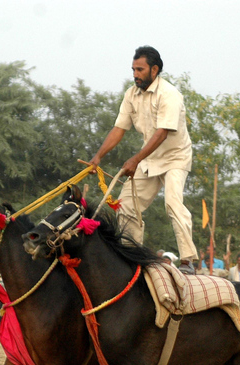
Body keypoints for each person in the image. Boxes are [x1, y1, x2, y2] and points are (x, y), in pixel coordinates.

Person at [88, 46, 197, 273]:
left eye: (140, 69)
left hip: (175, 158)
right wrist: (98, 157)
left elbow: (162, 133)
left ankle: (187, 261)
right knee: (126, 205)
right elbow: (119, 128)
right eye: (133, 69)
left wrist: (134, 160)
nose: (135, 74)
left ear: (154, 69)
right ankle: (130, 255)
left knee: (172, 203)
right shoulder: (131, 94)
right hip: (149, 159)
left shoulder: (169, 95)